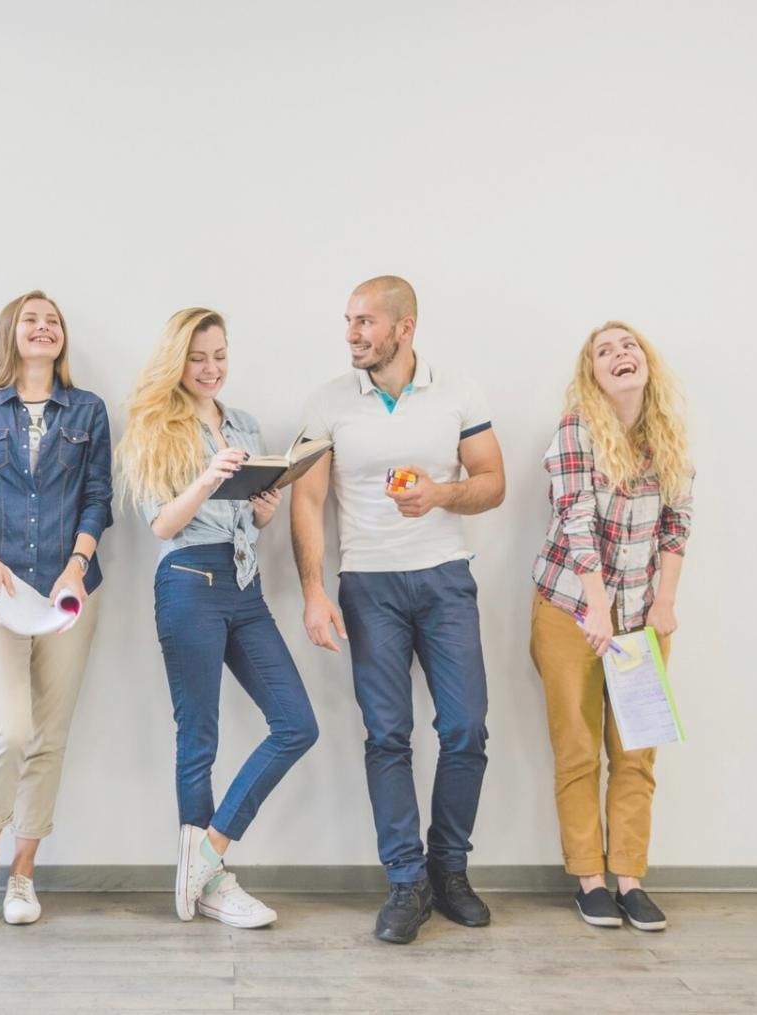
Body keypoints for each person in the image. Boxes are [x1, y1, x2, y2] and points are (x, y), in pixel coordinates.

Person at [290, 275, 505, 944]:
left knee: (465, 728)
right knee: (387, 734)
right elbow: (306, 499)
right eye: (348, 321)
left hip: (444, 580)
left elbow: (492, 482)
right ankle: (406, 881)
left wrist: (440, 494)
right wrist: (313, 590)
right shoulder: (328, 401)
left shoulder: (457, 390)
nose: (351, 334)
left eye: (365, 322)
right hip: (368, 585)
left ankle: (449, 868)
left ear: (404, 328)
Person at [117, 308, 319, 929]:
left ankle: (205, 855)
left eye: (220, 356)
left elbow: (249, 521)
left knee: (297, 724)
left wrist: (263, 510)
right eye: (198, 358)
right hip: (189, 583)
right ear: (177, 361)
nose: (211, 369)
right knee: (198, 736)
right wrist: (208, 478)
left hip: (244, 585)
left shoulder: (245, 423)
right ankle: (211, 883)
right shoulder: (155, 425)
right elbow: (161, 524)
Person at [0, 290, 113, 929]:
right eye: (31, 320)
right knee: (9, 731)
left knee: (48, 737)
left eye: (53, 321)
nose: (44, 328)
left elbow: (98, 496)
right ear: (10, 333)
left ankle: (23, 874)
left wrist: (77, 564)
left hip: (69, 592)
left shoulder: (88, 409)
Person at [528, 321, 694, 932]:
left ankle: (630, 879)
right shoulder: (576, 430)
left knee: (636, 751)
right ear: (593, 374)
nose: (620, 354)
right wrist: (596, 608)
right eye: (605, 351)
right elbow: (576, 520)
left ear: (645, 361)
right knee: (578, 750)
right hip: (570, 607)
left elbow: (677, 521)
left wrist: (664, 603)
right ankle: (590, 880)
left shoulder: (667, 434)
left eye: (629, 346)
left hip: (641, 614)